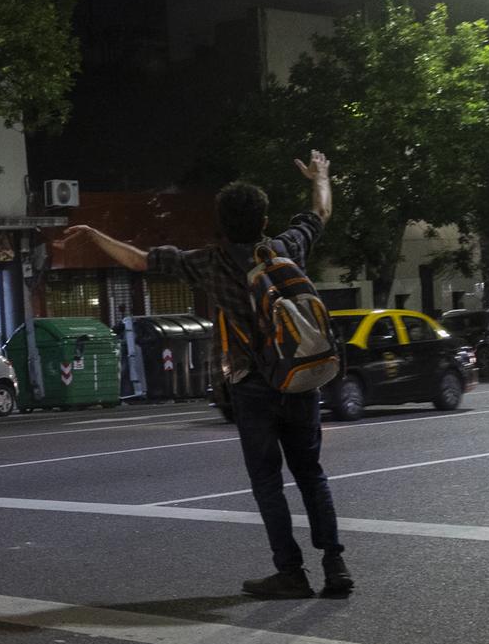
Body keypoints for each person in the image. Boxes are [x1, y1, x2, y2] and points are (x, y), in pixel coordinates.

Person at [66, 150, 352, 600]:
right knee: (310, 473)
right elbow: (321, 211)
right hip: (298, 379)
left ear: (220, 220)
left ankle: (290, 572)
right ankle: (335, 565)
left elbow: (141, 261)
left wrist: (93, 233)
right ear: (263, 219)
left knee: (267, 482)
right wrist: (321, 176)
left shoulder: (208, 263)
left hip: (251, 386)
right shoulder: (285, 248)